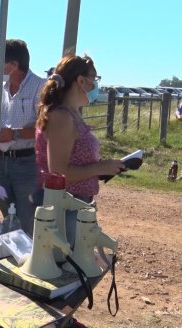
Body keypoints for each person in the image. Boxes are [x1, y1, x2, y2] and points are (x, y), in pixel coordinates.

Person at [35, 55, 125, 244]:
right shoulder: (62, 117)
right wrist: (100, 168)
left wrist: (102, 167)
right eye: (95, 78)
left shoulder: (71, 113)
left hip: (77, 204)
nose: (96, 85)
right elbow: (58, 173)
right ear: (81, 80)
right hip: (65, 208)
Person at [0, 39, 45, 235]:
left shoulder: (40, 87)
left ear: (14, 65)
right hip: (2, 162)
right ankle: (10, 258)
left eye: (0, 61)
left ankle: (28, 260)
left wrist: (14, 134)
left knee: (26, 217)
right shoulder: (1, 89)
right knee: (7, 215)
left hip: (27, 163)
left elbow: (45, 127)